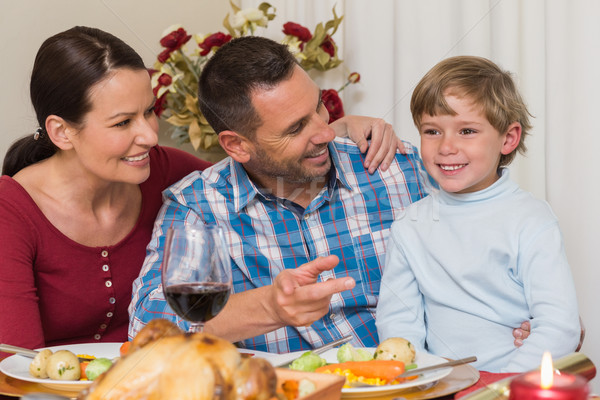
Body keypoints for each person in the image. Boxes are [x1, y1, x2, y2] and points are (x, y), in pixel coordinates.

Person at [0, 27, 394, 352]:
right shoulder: (10, 210)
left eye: (149, 111)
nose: (149, 135)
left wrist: (329, 133)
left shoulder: (168, 172)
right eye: (122, 123)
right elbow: (11, 365)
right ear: (61, 131)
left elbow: (254, 165)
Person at [128, 36, 434, 353]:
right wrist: (271, 307)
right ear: (237, 145)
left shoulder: (393, 166)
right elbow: (147, 330)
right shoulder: (199, 208)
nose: (326, 132)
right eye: (295, 128)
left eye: (318, 106)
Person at [375, 56, 581, 372]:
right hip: (438, 385)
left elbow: (559, 326)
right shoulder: (409, 225)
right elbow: (399, 321)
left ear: (508, 139)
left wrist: (502, 386)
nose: (446, 147)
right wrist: (417, 379)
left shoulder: (531, 220)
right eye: (432, 131)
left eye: (467, 130)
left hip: (514, 384)